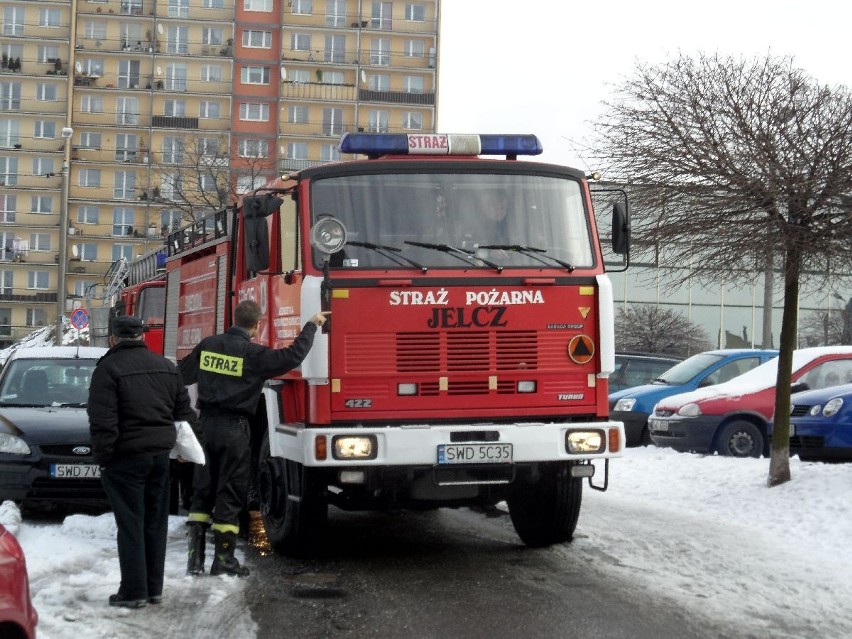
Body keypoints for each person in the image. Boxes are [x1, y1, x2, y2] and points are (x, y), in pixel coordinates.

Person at [180, 300, 329, 577]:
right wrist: (311, 325)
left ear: (234, 318)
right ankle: (223, 561)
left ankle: (194, 560)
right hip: (234, 431)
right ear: (257, 324)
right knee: (229, 491)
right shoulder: (253, 354)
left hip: (204, 427)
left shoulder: (207, 346)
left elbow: (181, 374)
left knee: (202, 491)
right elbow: (291, 357)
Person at [88, 315, 200, 608]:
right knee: (154, 523)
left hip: (124, 459)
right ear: (142, 337)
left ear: (113, 339)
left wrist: (104, 459)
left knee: (131, 524)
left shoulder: (107, 369)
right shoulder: (166, 367)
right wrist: (180, 449)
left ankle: (133, 592)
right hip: (160, 459)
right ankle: (153, 589)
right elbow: (185, 416)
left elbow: (103, 421)